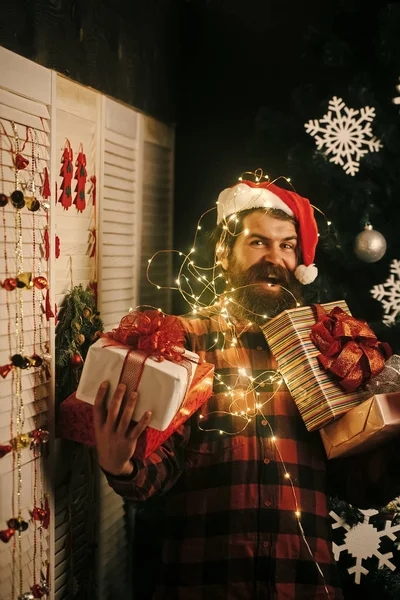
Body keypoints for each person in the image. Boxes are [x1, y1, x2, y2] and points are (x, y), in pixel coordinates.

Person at [93, 177, 400, 600]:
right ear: (226, 252)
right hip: (205, 583)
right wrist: (122, 465)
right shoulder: (184, 343)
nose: (274, 258)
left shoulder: (329, 349)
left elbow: (357, 484)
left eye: (287, 245)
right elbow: (153, 477)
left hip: (302, 587)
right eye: (258, 242)